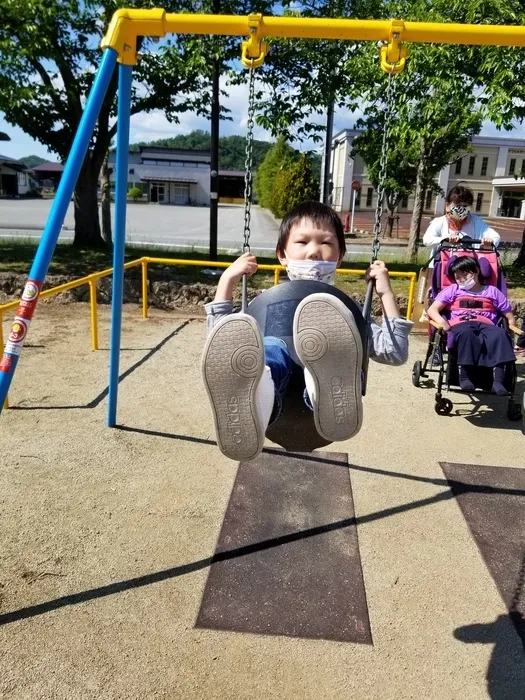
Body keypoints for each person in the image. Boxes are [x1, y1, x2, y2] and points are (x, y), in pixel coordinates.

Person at [201, 200, 413, 461]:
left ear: (340, 256)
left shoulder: (346, 314)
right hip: (281, 404)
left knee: (337, 340)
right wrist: (228, 280)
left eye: (326, 243)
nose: (314, 252)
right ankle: (258, 397)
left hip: (323, 414)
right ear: (282, 254)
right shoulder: (264, 305)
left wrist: (385, 294)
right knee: (270, 348)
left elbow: (394, 352)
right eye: (302, 242)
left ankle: (325, 386)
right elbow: (222, 343)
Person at [427, 255, 516, 395]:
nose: (462, 279)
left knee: (500, 334)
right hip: (461, 323)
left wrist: (511, 332)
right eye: (457, 276)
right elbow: (432, 310)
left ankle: (498, 381)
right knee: (466, 333)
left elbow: (509, 316)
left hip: (487, 325)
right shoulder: (453, 290)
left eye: (465, 274)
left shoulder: (492, 291)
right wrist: (444, 324)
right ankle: (464, 377)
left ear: (476, 270)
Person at [423, 185, 501, 262]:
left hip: (469, 269)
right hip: (441, 267)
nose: (461, 209)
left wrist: (489, 241)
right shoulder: (439, 222)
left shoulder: (477, 222)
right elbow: (427, 240)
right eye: (457, 205)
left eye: (465, 206)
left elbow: (495, 237)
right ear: (447, 206)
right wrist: (446, 239)